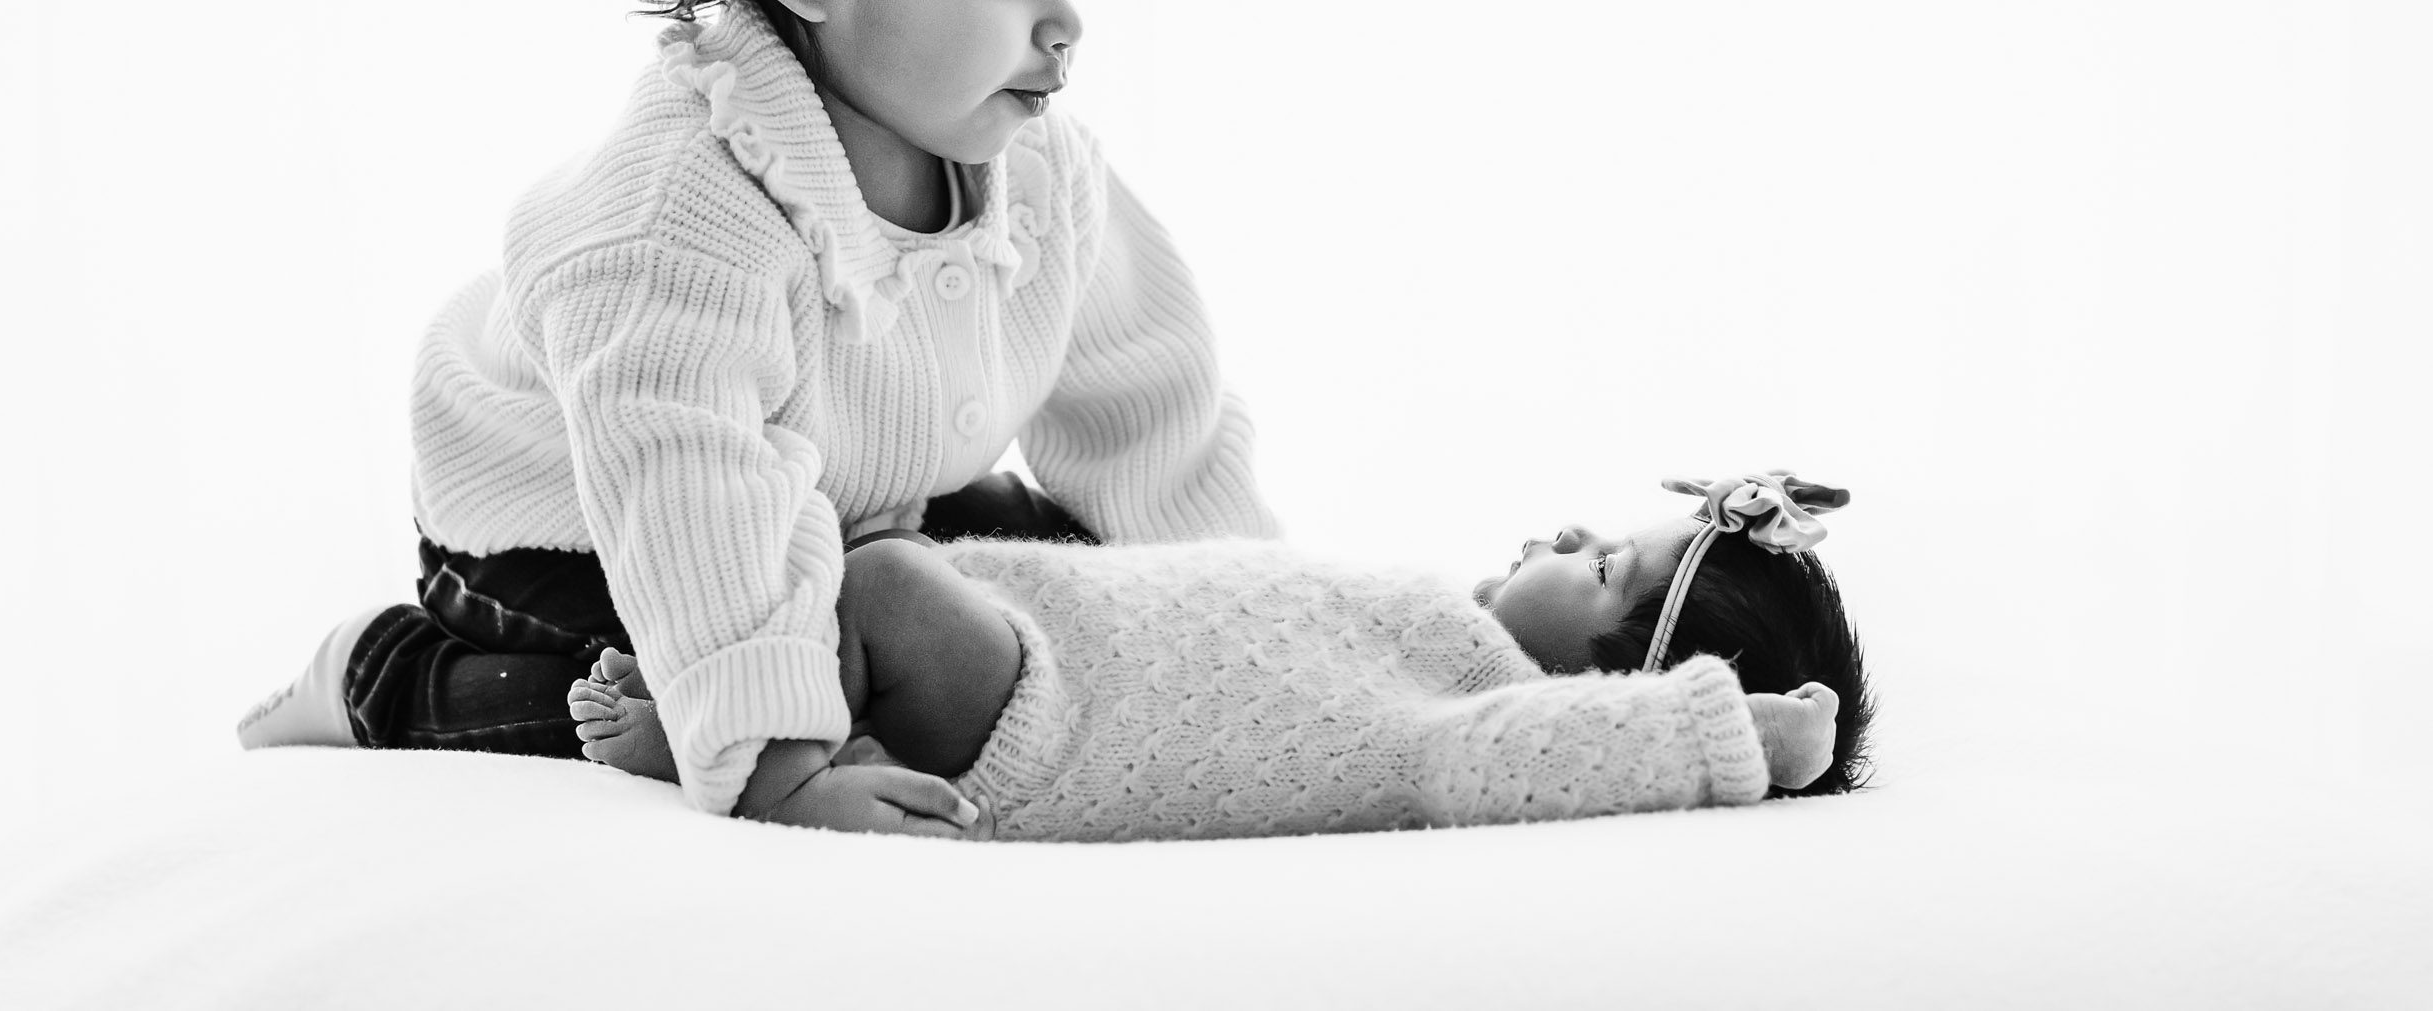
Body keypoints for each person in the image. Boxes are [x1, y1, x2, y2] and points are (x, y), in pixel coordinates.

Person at [237, 0, 1280, 837]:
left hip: (840, 493)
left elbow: (1155, 419)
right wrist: (788, 767)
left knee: (1045, 561)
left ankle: (807, 655)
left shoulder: (1041, 169)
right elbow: (688, 482)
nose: (1062, 24)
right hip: (576, 516)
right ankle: (381, 676)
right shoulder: (678, 208)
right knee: (643, 689)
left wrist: (1250, 622)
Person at [568, 474, 1875, 840]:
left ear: (1615, 689)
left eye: (1601, 571)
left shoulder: (1480, 710)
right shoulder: (1449, 631)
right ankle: (734, 697)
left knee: (881, 581)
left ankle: (745, 749)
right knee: (917, 526)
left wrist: (1729, 735)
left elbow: (1544, 756)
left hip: (1040, 711)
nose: (1569, 532)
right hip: (1048, 628)